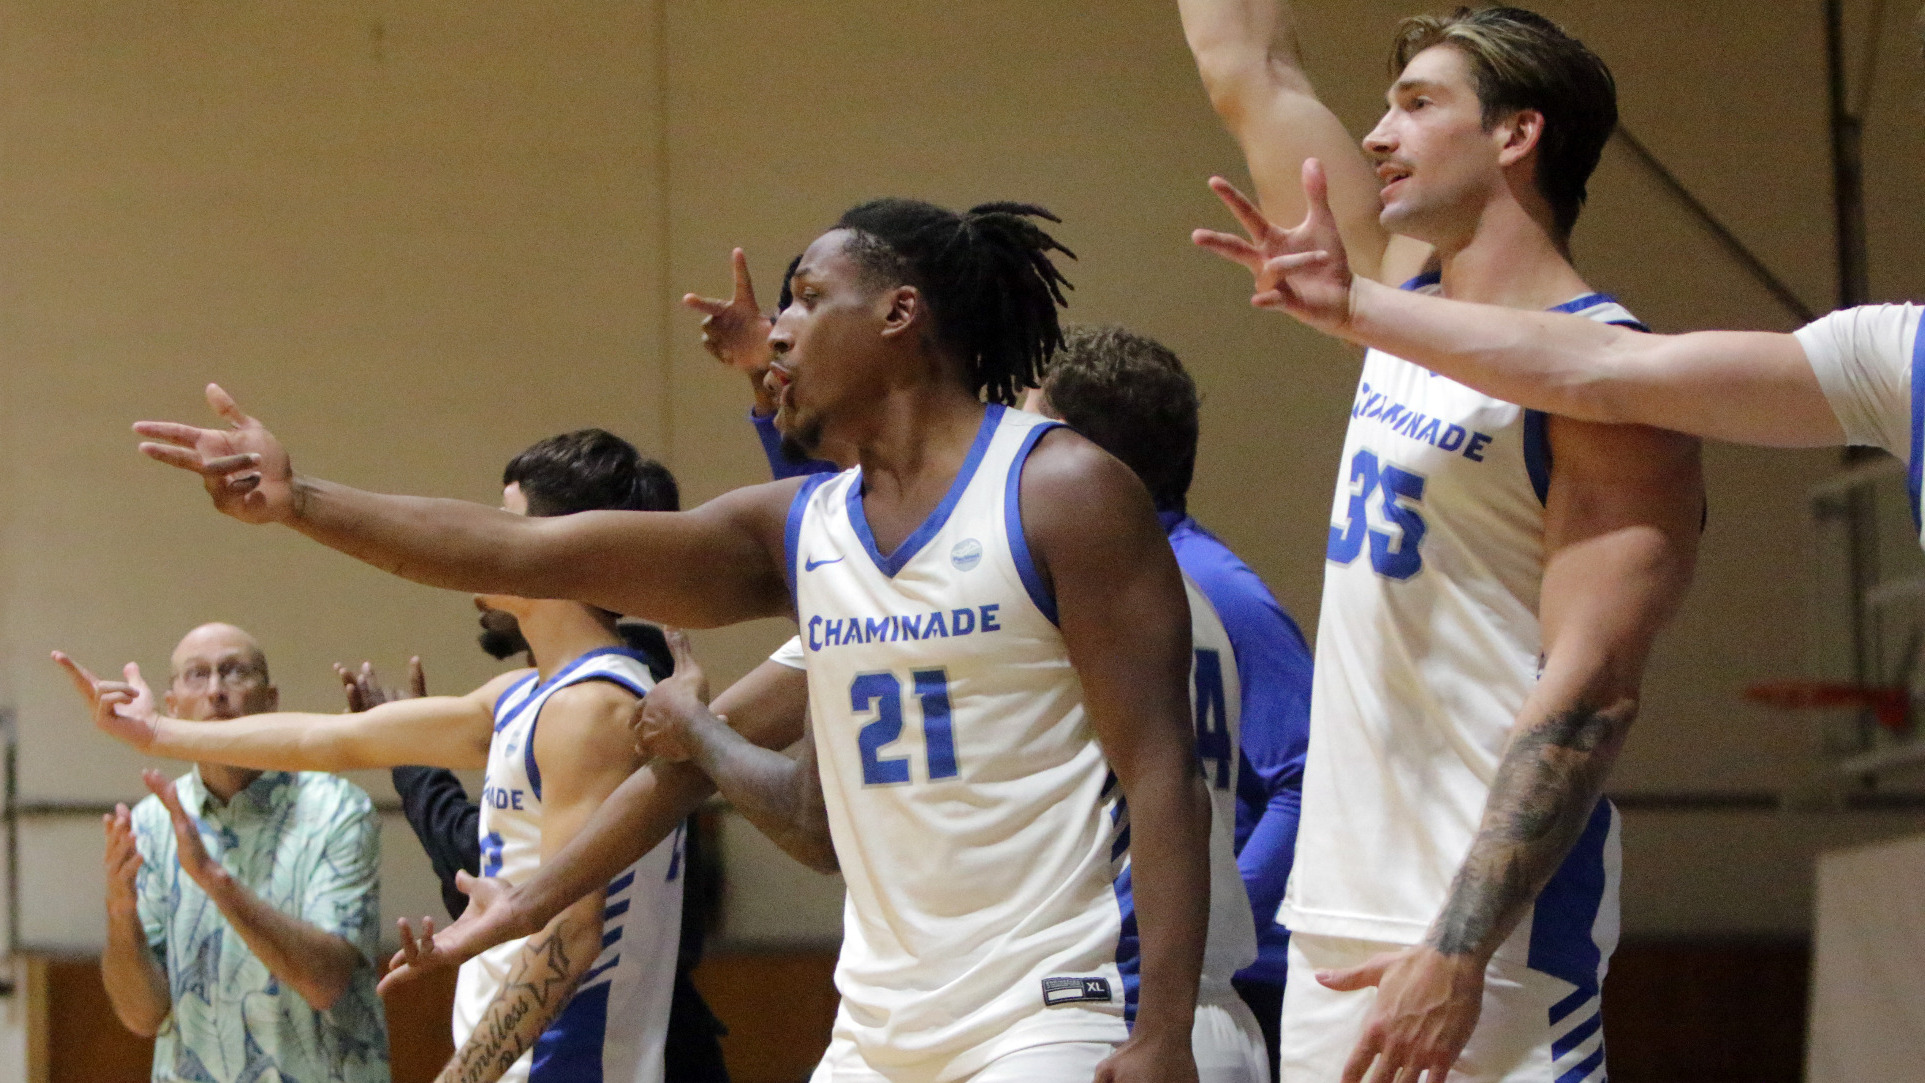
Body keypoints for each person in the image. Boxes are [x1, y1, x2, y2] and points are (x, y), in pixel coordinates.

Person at [133, 196, 1213, 1083]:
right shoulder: (803, 529)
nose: (777, 331)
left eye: (805, 299)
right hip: (877, 1024)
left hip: (1046, 1008)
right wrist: (302, 500)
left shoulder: (1061, 491)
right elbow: (518, 557)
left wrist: (1163, 1027)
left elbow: (1161, 772)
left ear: (899, 314)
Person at [1180, 3, 1703, 1081]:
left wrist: (1458, 949)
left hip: (1484, 941)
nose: (1374, 134)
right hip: (1332, 920)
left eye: (1416, 105)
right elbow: (1247, 62)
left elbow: (1594, 687)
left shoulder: (1609, 380)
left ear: (1516, 134)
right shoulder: (1391, 290)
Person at [63, 430, 697, 1083]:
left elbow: (569, 941)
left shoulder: (589, 708)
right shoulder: (526, 694)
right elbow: (333, 739)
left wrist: (457, 1078)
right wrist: (156, 732)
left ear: (563, 547)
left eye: (504, 520)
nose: (481, 537)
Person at [352, 628, 733, 1083]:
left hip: (595, 1035)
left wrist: (408, 750)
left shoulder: (598, 699)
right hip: (632, 1026)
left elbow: (493, 873)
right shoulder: (580, 691)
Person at [72, 622, 389, 1083]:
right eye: (197, 675)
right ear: (173, 705)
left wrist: (214, 880)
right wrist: (121, 914)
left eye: (236, 673)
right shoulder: (150, 823)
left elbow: (324, 983)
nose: (217, 691)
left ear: (271, 699)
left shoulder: (338, 809)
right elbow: (142, 1017)